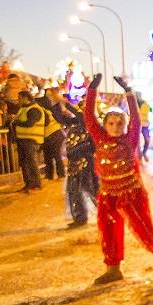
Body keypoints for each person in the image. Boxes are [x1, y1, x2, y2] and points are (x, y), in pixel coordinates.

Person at [82, 74, 153, 284]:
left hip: (130, 192)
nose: (115, 127)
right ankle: (113, 268)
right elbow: (89, 116)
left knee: (143, 227)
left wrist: (129, 92)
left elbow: (135, 118)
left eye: (119, 123)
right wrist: (92, 91)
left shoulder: (129, 140)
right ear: (105, 125)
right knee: (108, 229)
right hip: (108, 193)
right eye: (111, 123)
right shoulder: (100, 138)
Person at [55, 89, 99, 226]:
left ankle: (108, 212)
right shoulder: (74, 123)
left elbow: (80, 116)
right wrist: (56, 103)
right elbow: (59, 117)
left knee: (91, 188)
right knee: (74, 190)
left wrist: (65, 103)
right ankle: (80, 217)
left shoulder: (91, 123)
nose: (82, 110)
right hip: (74, 162)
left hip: (87, 160)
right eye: (81, 106)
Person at [10, 89, 52, 193]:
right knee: (24, 162)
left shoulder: (34, 109)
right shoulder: (23, 109)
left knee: (31, 162)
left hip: (31, 140)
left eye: (19, 98)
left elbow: (30, 123)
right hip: (23, 140)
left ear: (25, 98)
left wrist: (16, 122)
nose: (18, 100)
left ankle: (36, 183)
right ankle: (29, 183)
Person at [36, 91, 67, 181]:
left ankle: (60, 174)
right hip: (51, 135)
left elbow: (44, 123)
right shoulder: (45, 110)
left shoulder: (41, 111)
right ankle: (50, 175)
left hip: (54, 134)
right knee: (48, 156)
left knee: (55, 155)